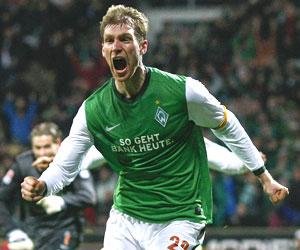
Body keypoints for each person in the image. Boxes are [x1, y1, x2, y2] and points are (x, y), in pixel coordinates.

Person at [21, 5, 289, 250]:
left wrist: (263, 175)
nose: (116, 46)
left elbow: (226, 126)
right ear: (102, 50)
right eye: (109, 41)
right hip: (127, 218)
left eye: (125, 39)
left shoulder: (183, 92)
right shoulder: (93, 111)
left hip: (181, 217)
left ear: (143, 46)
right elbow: (66, 167)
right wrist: (43, 186)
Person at [0, 122, 96, 250]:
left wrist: (62, 202)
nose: (42, 153)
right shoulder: (22, 164)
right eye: (37, 148)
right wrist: (12, 231)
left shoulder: (72, 161)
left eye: (46, 146)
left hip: (65, 229)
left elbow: (88, 196)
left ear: (58, 142)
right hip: (31, 232)